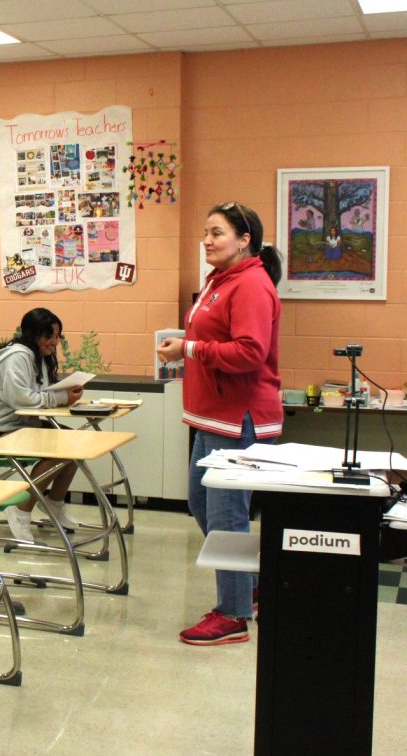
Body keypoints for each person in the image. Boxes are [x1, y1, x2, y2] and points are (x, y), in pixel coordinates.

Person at [157, 201, 282, 646]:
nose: (207, 241)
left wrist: (189, 349)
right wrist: (190, 345)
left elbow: (249, 352)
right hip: (211, 417)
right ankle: (248, 588)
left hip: (237, 419)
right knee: (201, 504)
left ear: (245, 240)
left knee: (227, 517)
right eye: (205, 232)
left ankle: (233, 615)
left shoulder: (250, 283)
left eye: (217, 233)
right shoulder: (220, 280)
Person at [0, 308, 84, 543]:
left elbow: (39, 394)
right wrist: (62, 397)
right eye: (49, 336)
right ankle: (21, 510)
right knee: (57, 449)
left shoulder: (38, 357)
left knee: (74, 442)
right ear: (34, 335)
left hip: (19, 425)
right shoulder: (18, 356)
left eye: (57, 337)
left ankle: (55, 503)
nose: (54, 343)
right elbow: (21, 399)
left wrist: (63, 392)